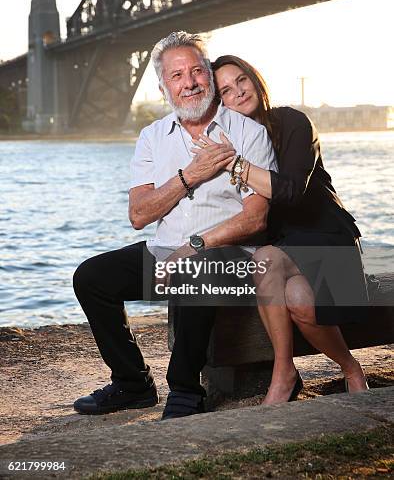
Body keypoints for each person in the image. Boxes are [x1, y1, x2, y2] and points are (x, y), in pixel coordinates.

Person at [72, 33, 277, 416]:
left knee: (197, 269)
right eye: (178, 75)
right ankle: (132, 383)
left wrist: (195, 246)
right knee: (90, 277)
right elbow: (139, 215)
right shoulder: (152, 137)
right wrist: (190, 176)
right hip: (165, 253)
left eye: (198, 70)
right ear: (164, 86)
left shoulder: (249, 133)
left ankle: (186, 390)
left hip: (229, 258)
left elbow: (256, 217)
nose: (190, 82)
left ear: (210, 78)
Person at [190, 54, 369, 404]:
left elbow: (289, 192)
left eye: (241, 80)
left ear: (255, 79)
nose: (239, 92)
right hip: (281, 249)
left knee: (274, 266)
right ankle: (299, 372)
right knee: (296, 296)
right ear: (219, 102)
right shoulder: (232, 139)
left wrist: (234, 163)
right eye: (226, 91)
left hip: (326, 240)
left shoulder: (292, 123)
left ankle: (339, 370)